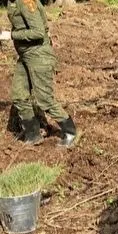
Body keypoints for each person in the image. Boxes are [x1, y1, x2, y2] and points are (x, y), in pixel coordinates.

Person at [0, 0, 77, 146]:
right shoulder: (13, 2)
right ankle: (32, 134)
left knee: (45, 99)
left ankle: (70, 131)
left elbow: (38, 31)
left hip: (38, 56)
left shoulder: (25, 1)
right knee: (19, 96)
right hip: (25, 56)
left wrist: (10, 35)